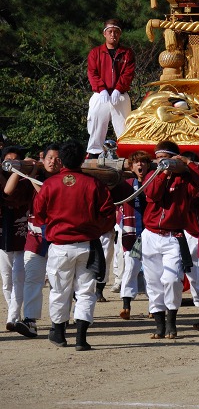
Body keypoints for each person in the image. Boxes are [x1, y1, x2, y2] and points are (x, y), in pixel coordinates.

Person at [33, 139, 116, 350]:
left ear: (60, 160)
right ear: (83, 159)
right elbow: (108, 215)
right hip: (87, 245)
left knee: (59, 290)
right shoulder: (94, 184)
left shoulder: (50, 185)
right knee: (86, 291)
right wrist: (94, 230)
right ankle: (81, 339)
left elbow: (39, 216)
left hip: (60, 246)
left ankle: (59, 334)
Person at [141, 140, 199, 340]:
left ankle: (171, 322)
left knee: (171, 280)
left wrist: (187, 165)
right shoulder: (152, 176)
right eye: (158, 159)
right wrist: (163, 174)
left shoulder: (186, 179)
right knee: (152, 282)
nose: (161, 162)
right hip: (150, 235)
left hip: (173, 236)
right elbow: (152, 195)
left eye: (165, 159)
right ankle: (159, 325)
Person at [11, 144, 62, 339]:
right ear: (43, 159)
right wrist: (19, 168)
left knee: (58, 281)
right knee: (32, 278)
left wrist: (32, 175)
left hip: (60, 238)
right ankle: (30, 320)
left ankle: (58, 322)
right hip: (35, 236)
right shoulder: (32, 179)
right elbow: (8, 192)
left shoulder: (66, 180)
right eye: (49, 158)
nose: (52, 162)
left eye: (57, 159)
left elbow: (46, 195)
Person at [86, 19, 135, 158]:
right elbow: (92, 72)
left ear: (120, 34)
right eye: (110, 32)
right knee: (96, 123)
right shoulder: (96, 53)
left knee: (124, 126)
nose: (113, 35)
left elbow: (128, 73)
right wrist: (101, 89)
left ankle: (125, 152)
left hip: (119, 94)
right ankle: (94, 152)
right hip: (100, 94)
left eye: (116, 32)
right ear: (105, 34)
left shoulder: (127, 53)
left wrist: (119, 89)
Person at [118, 150, 150, 320]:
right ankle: (126, 306)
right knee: (130, 268)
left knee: (153, 271)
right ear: (131, 166)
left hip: (152, 234)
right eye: (136, 162)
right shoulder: (126, 184)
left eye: (143, 162)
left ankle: (154, 306)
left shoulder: (154, 181)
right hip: (131, 234)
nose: (140, 165)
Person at [0, 144, 30, 331]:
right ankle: (15, 311)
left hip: (21, 235)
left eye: (15, 161)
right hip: (2, 236)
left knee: (19, 277)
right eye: (7, 160)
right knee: (6, 280)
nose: (11, 164)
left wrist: (30, 170)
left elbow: (11, 193)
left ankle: (12, 317)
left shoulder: (26, 181)